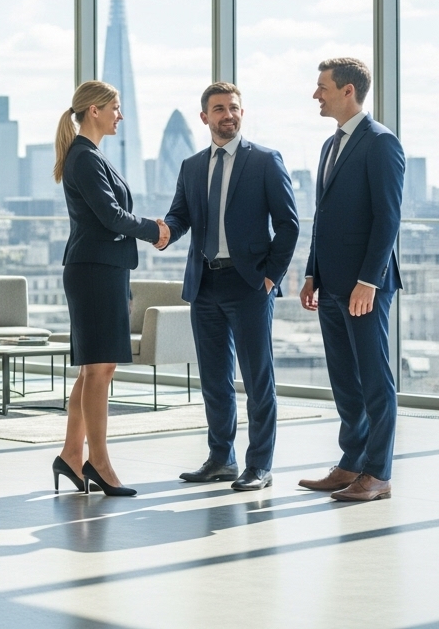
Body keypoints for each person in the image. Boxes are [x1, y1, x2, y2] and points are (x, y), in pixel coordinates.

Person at [161, 82, 298, 491]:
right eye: (218, 109)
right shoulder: (191, 165)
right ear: (205, 117)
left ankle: (259, 465)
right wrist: (160, 230)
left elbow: (289, 225)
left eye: (233, 107)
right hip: (204, 283)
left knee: (258, 379)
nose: (228, 115)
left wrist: (270, 276)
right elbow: (179, 216)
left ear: (242, 112)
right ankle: (221, 459)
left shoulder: (266, 161)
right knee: (214, 378)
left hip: (249, 284)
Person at [52, 80, 169, 498]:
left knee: (95, 369)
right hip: (94, 271)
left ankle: (70, 454)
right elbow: (112, 216)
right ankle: (97, 462)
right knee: (99, 370)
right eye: (116, 107)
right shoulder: (84, 157)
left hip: (102, 269)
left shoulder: (90, 155)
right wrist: (155, 230)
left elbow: (111, 215)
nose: (121, 115)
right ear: (95, 110)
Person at [298, 58, 404, 503]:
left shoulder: (381, 143)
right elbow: (323, 218)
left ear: (347, 90)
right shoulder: (329, 145)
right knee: (345, 380)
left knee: (374, 381)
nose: (315, 94)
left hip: (364, 288)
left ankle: (377, 474)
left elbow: (387, 219)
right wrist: (310, 272)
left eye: (322, 86)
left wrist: (369, 281)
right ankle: (351, 463)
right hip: (331, 283)